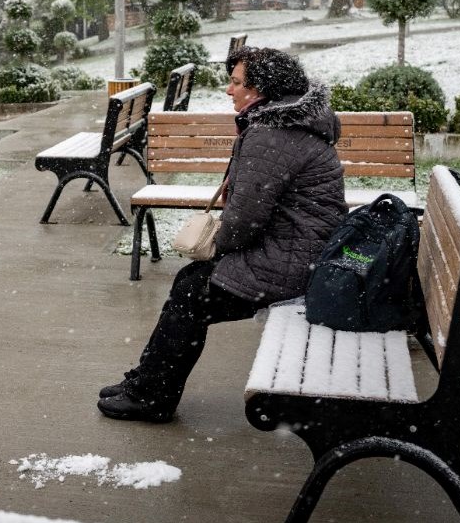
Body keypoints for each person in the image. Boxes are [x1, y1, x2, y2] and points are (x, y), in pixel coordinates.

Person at [97, 46, 347, 423]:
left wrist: (220, 247)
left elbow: (244, 221)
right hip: (301, 252)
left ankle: (152, 396)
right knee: (192, 285)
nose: (229, 90)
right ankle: (148, 382)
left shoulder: (272, 135)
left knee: (192, 292)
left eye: (236, 82)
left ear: (262, 88)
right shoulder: (286, 124)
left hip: (293, 263)